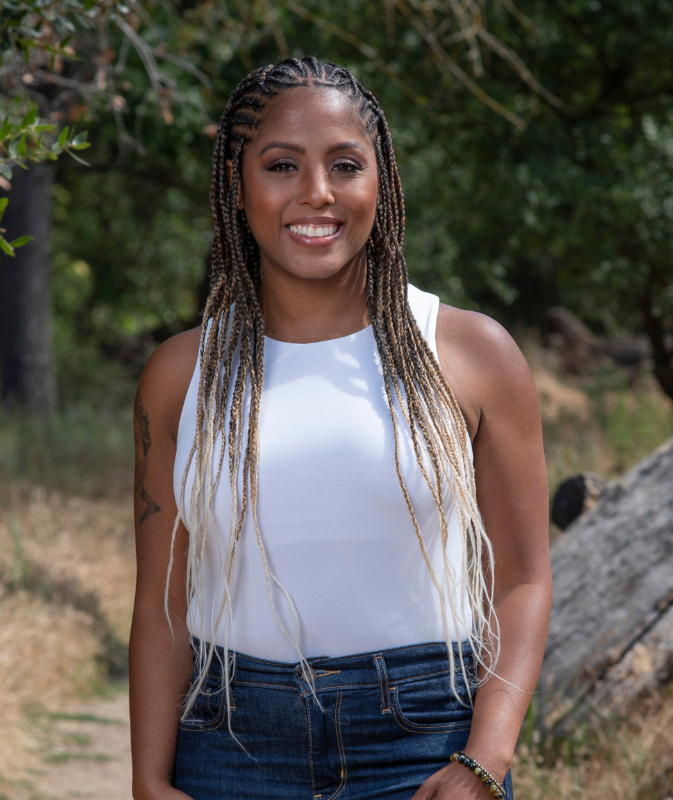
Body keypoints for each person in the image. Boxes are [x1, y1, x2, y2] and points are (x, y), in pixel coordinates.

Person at [129, 56, 551, 800]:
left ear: (380, 182)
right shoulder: (179, 374)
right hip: (231, 748)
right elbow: (162, 605)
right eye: (282, 165)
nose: (316, 193)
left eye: (345, 165)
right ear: (238, 184)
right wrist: (147, 781)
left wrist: (487, 758)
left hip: (426, 743)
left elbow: (520, 579)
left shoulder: (471, 353)